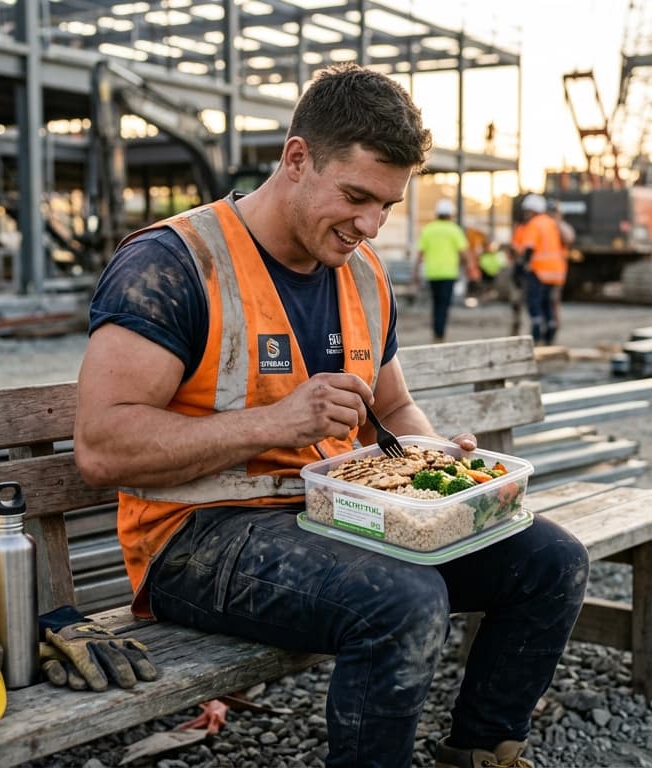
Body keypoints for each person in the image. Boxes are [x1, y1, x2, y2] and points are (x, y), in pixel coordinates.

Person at [73, 63, 589, 768]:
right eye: (355, 196)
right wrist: (276, 423)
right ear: (296, 159)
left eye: (387, 206)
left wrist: (439, 459)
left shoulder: (362, 271)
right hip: (194, 539)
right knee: (405, 600)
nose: (370, 224)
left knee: (551, 560)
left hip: (335, 517)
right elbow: (102, 449)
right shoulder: (174, 263)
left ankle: (480, 750)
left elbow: (395, 407)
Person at [511, 194, 570, 345]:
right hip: (556, 272)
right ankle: (550, 332)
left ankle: (537, 332)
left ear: (532, 210)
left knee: (534, 302)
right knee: (548, 303)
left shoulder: (534, 224)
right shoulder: (552, 223)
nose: (525, 214)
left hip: (539, 270)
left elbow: (529, 248)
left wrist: (519, 269)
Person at [414, 199, 470, 342]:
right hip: (448, 274)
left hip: (432, 273)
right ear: (451, 214)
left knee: (436, 303)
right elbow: (463, 252)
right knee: (444, 304)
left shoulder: (428, 229)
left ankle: (437, 331)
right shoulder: (454, 230)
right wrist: (470, 267)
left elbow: (420, 253)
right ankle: (440, 333)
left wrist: (415, 272)